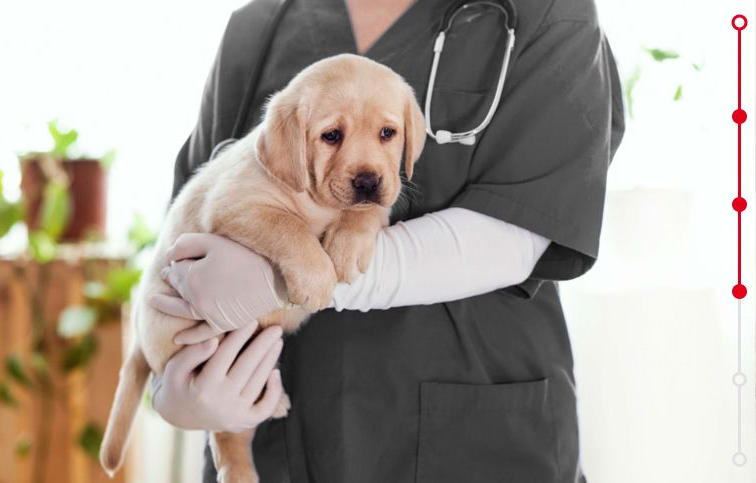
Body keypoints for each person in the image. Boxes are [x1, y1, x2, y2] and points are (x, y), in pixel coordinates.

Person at [150, 0, 624, 481]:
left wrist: (286, 276)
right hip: (279, 447)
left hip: (475, 437)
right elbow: (184, 237)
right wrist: (171, 388)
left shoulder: (547, 13)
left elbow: (522, 225)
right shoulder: (258, 27)